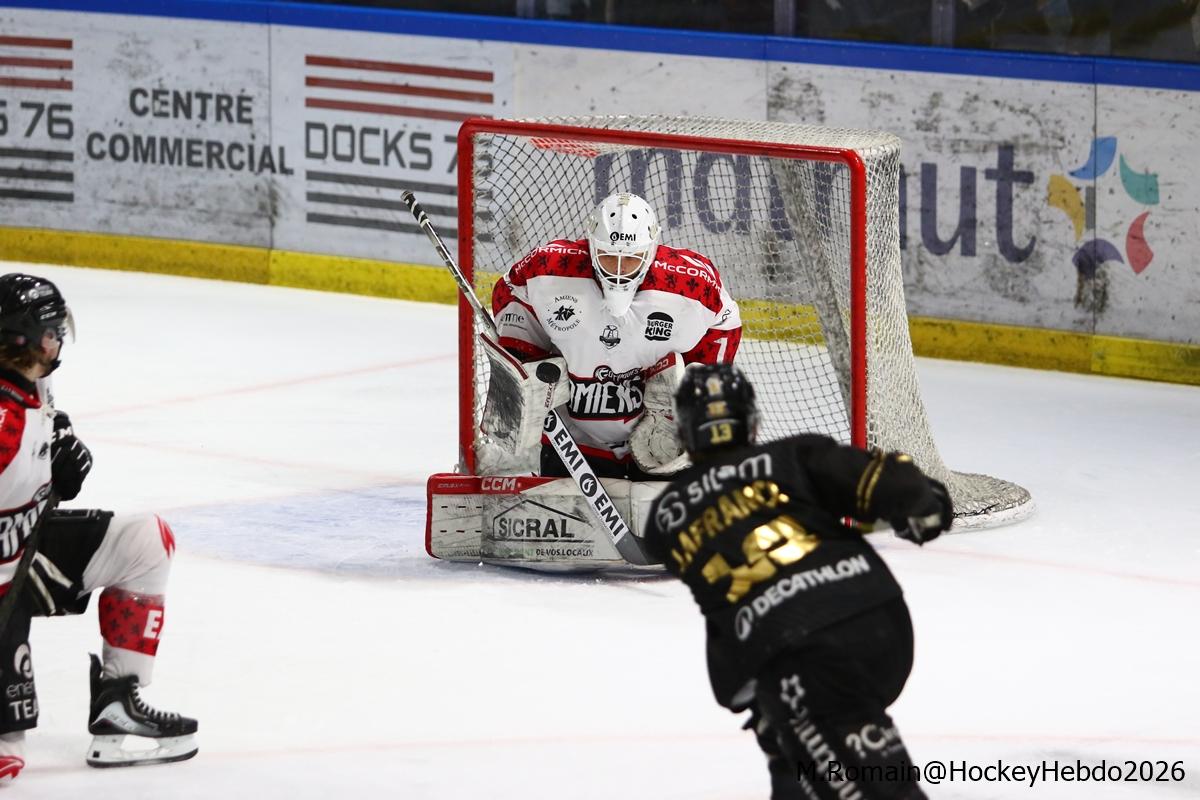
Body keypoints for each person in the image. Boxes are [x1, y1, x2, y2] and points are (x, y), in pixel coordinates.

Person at [643, 363, 952, 799]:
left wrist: (743, 688)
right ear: (752, 421)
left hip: (802, 653)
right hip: (878, 619)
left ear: (685, 433)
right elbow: (889, 482)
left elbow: (723, 613)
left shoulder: (665, 520)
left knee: (872, 786)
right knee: (792, 760)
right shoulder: (792, 455)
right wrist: (925, 503)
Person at [0, 274, 197, 780]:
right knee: (6, 756)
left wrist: (59, 446)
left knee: (146, 541)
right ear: (23, 338)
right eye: (50, 332)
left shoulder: (31, 377)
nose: (57, 342)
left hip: (23, 552)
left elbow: (45, 425)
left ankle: (117, 705)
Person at [484, 191, 743, 479]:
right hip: (574, 440)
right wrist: (524, 355)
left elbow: (726, 320)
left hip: (662, 443)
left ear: (652, 249)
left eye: (631, 259)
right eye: (609, 257)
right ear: (591, 246)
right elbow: (510, 289)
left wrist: (699, 384)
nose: (619, 270)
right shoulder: (550, 268)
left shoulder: (689, 283)